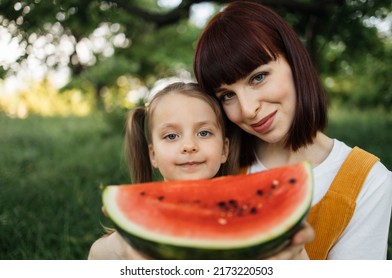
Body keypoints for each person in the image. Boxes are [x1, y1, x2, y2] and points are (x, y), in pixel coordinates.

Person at [193, 1, 392, 260]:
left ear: (294, 61)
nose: (248, 109)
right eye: (227, 95)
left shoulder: (370, 182)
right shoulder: (217, 160)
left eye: (258, 77)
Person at [88, 82, 232, 259]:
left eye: (203, 133)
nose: (189, 146)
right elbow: (97, 253)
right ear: (153, 154)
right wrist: (119, 246)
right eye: (171, 136)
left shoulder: (240, 212)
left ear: (224, 150)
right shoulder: (136, 230)